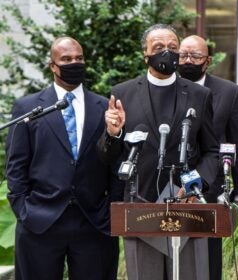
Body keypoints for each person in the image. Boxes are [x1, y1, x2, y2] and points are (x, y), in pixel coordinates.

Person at [97, 24, 219, 280]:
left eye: (173, 48)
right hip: (141, 205)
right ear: (145, 54)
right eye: (159, 48)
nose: (167, 53)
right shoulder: (123, 93)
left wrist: (197, 183)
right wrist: (113, 133)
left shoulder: (199, 94)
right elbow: (107, 157)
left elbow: (212, 151)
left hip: (188, 205)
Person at [6, 37, 119, 280]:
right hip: (39, 221)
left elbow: (114, 163)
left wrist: (112, 212)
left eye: (79, 59)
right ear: (52, 66)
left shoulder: (104, 107)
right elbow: (15, 166)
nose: (74, 63)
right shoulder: (28, 108)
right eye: (66, 59)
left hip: (93, 222)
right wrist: (23, 210)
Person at [178, 35, 238, 280]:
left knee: (207, 263)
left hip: (210, 192)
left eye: (195, 56)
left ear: (207, 61)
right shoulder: (167, 87)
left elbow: (237, 141)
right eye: (183, 55)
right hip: (169, 188)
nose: (188, 60)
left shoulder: (228, 91)